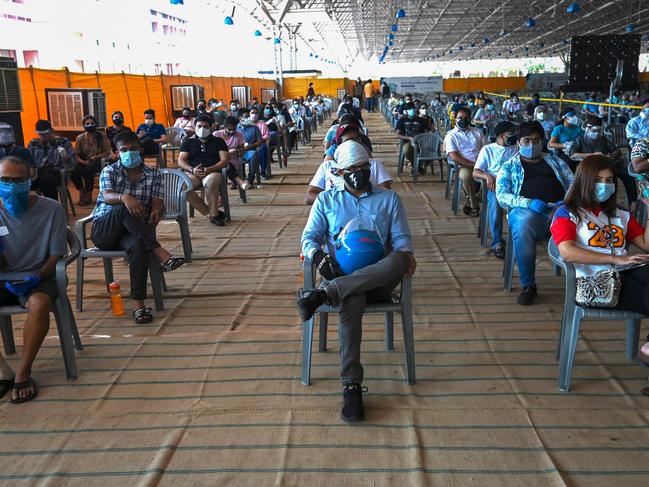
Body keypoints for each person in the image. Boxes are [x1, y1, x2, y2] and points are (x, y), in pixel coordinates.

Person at [298, 140, 416, 423]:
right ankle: (351, 385)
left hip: (380, 280)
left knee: (401, 259)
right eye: (352, 169)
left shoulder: (389, 199)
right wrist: (317, 257)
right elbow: (308, 239)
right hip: (344, 277)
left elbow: (401, 240)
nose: (359, 173)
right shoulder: (326, 200)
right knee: (352, 296)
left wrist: (406, 253)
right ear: (339, 172)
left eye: (363, 168)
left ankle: (326, 293)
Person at [550, 156, 649, 355]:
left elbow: (646, 245)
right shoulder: (567, 213)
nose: (605, 186)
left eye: (609, 180)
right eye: (598, 180)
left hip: (624, 272)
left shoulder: (620, 215)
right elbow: (567, 252)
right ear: (584, 182)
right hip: (594, 282)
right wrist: (615, 259)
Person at [92, 131, 185, 324]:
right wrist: (124, 197)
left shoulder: (153, 174)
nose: (129, 153)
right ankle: (160, 252)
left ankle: (138, 304)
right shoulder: (109, 171)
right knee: (121, 205)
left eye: (133, 149)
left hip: (133, 233)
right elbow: (107, 195)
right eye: (124, 150)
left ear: (140, 149)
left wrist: (157, 210)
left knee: (138, 246)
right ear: (116, 153)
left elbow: (158, 202)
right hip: (105, 232)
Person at [0, 155, 68, 403]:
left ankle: (23, 371)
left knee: (39, 304)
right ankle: (2, 371)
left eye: (18, 181)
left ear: (30, 181)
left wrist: (36, 276)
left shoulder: (51, 209)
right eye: (4, 180)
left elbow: (55, 256)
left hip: (40, 275)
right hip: (4, 277)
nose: (11, 185)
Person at [496, 121, 574, 305]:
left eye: (536, 140)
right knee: (523, 224)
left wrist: (566, 202)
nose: (531, 145)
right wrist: (528, 203)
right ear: (518, 143)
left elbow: (574, 183)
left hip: (561, 211)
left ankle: (588, 279)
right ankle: (528, 285)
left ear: (543, 142)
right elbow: (502, 195)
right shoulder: (509, 166)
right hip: (529, 213)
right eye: (526, 140)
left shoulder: (555, 161)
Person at [472, 121, 518, 258]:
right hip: (495, 186)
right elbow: (475, 172)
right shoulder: (488, 150)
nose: (514, 138)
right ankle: (497, 242)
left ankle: (520, 238)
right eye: (511, 135)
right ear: (501, 136)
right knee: (496, 205)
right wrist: (487, 176)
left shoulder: (516, 148)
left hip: (514, 185)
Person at [571, 115, 636, 205]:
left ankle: (632, 201)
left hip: (608, 165)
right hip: (591, 167)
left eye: (598, 131)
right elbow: (572, 154)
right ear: (587, 129)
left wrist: (611, 155)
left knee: (627, 175)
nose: (597, 133)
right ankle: (587, 201)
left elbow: (616, 151)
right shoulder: (579, 140)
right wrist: (592, 155)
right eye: (594, 131)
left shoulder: (603, 139)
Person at [177, 115, 229, 226]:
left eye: (205, 126)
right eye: (199, 126)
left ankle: (214, 216)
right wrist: (192, 169)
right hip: (193, 173)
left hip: (213, 172)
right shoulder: (188, 142)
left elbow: (224, 160)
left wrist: (210, 169)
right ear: (195, 127)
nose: (202, 129)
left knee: (210, 182)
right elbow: (181, 161)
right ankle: (209, 212)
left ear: (211, 127)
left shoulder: (218, 141)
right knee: (183, 186)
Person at [444, 107, 486, 216]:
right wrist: (473, 164)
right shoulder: (451, 135)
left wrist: (482, 164)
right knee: (466, 176)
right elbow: (454, 156)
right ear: (455, 118)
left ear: (470, 119)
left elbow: (485, 150)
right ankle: (474, 204)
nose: (463, 120)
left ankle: (476, 197)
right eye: (460, 117)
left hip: (481, 164)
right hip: (464, 165)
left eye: (466, 118)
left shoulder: (478, 132)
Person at [27, 120, 75, 201]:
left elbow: (72, 165)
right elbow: (28, 161)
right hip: (37, 172)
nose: (43, 137)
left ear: (52, 131)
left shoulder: (63, 142)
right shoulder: (33, 143)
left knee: (47, 181)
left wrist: (66, 158)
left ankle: (52, 208)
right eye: (40, 134)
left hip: (57, 173)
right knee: (21, 183)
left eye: (45, 134)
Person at [72, 115, 112, 206]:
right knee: (74, 171)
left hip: (98, 161)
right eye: (87, 124)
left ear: (96, 124)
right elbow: (76, 154)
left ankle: (89, 194)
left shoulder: (102, 136)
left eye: (92, 123)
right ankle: (81, 190)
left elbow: (107, 152)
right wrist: (83, 162)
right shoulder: (80, 138)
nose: (90, 125)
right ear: (84, 126)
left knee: (87, 171)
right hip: (84, 161)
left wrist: (97, 156)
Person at [213, 116, 250, 191]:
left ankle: (222, 194)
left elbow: (241, 151)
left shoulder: (239, 135)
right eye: (229, 129)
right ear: (224, 127)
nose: (232, 132)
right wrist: (227, 153)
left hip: (232, 160)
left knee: (226, 165)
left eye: (234, 129)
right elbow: (212, 151)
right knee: (224, 164)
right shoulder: (216, 135)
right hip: (216, 160)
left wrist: (237, 151)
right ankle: (240, 181)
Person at [395, 103, 426, 170]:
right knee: (407, 150)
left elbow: (426, 132)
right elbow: (397, 134)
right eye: (409, 109)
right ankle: (416, 166)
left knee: (429, 150)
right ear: (406, 111)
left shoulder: (421, 120)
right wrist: (409, 138)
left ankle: (417, 166)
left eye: (413, 108)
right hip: (408, 142)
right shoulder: (402, 120)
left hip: (420, 141)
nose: (412, 110)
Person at [238, 108, 264, 188]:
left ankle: (250, 179)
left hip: (249, 151)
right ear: (240, 119)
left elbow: (260, 141)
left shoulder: (254, 128)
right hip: (237, 151)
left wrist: (251, 146)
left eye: (248, 116)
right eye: (246, 117)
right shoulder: (235, 128)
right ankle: (237, 180)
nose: (248, 118)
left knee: (254, 154)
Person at [250, 107, 271, 179]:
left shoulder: (262, 124)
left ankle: (262, 171)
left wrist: (260, 140)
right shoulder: (246, 124)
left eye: (256, 113)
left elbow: (267, 135)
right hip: (249, 145)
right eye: (252, 113)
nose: (254, 115)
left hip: (260, 143)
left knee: (263, 148)